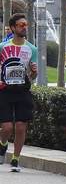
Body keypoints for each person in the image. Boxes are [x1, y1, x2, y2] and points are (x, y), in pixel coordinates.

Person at [0, 14, 39, 172]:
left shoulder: (31, 49)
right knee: (8, 127)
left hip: (22, 90)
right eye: (21, 25)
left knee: (21, 126)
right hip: (5, 90)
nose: (24, 27)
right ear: (13, 28)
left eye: (26, 25)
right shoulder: (2, 47)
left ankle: (16, 159)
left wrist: (34, 73)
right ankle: (3, 144)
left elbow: (32, 74)